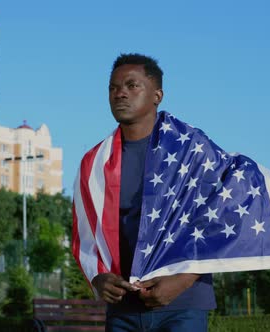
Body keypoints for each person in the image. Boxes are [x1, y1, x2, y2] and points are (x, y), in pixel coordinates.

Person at [75, 53, 216, 331]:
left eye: (132, 85)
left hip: (181, 305)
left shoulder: (191, 148)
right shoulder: (96, 163)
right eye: (113, 88)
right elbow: (86, 235)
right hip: (123, 310)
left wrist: (182, 280)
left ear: (157, 95)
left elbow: (219, 219)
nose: (120, 94)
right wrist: (98, 278)